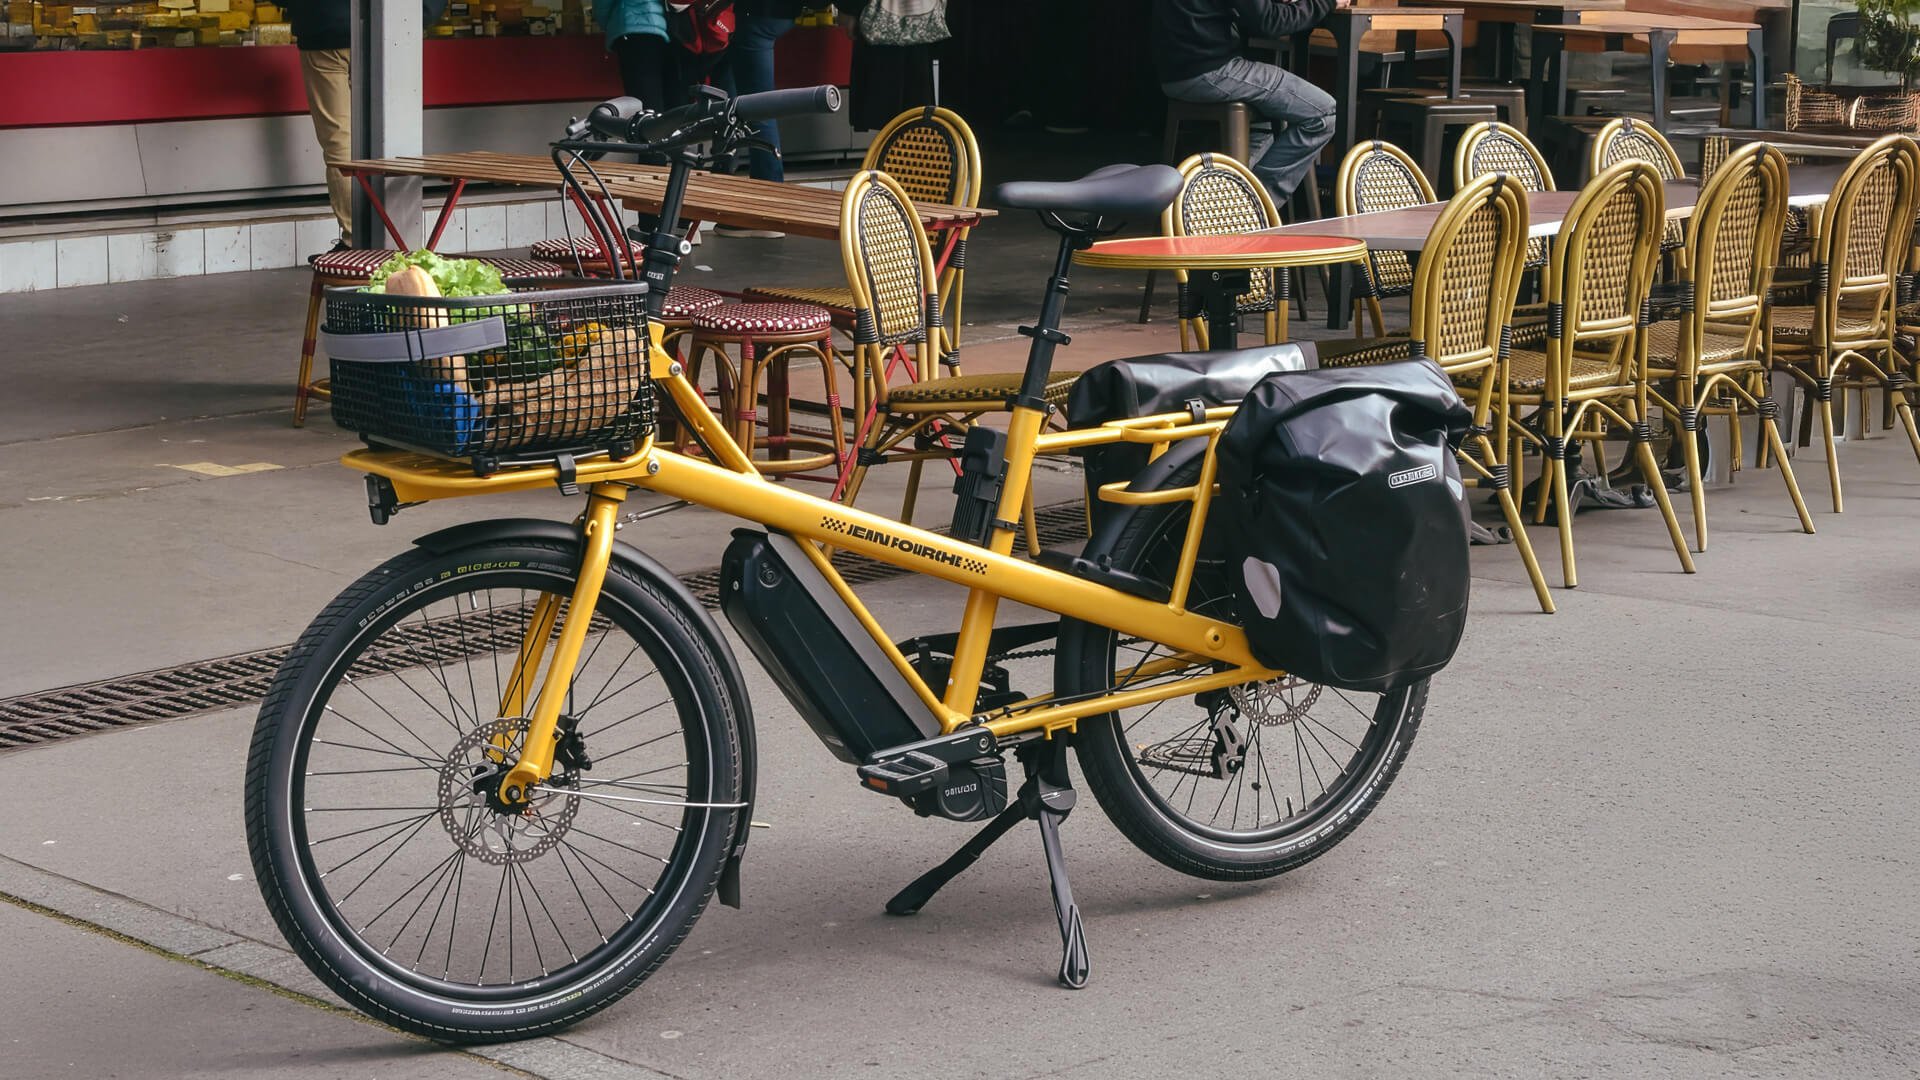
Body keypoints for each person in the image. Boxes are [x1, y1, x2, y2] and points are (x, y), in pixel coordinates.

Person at [286, 0, 448, 247]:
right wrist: (417, 18)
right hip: (392, 33)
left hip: (325, 31)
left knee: (340, 143)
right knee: (397, 138)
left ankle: (355, 241)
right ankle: (398, 238)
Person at [1152, 0, 1347, 203]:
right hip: (1211, 70)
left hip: (1175, 73)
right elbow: (1269, 21)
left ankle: (1225, 200)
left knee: (1269, 119)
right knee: (1324, 112)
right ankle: (1254, 206)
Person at [712, 0, 799, 237]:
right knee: (731, 102)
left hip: (754, 14)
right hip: (777, 12)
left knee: (759, 107)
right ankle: (728, 193)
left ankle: (768, 211)